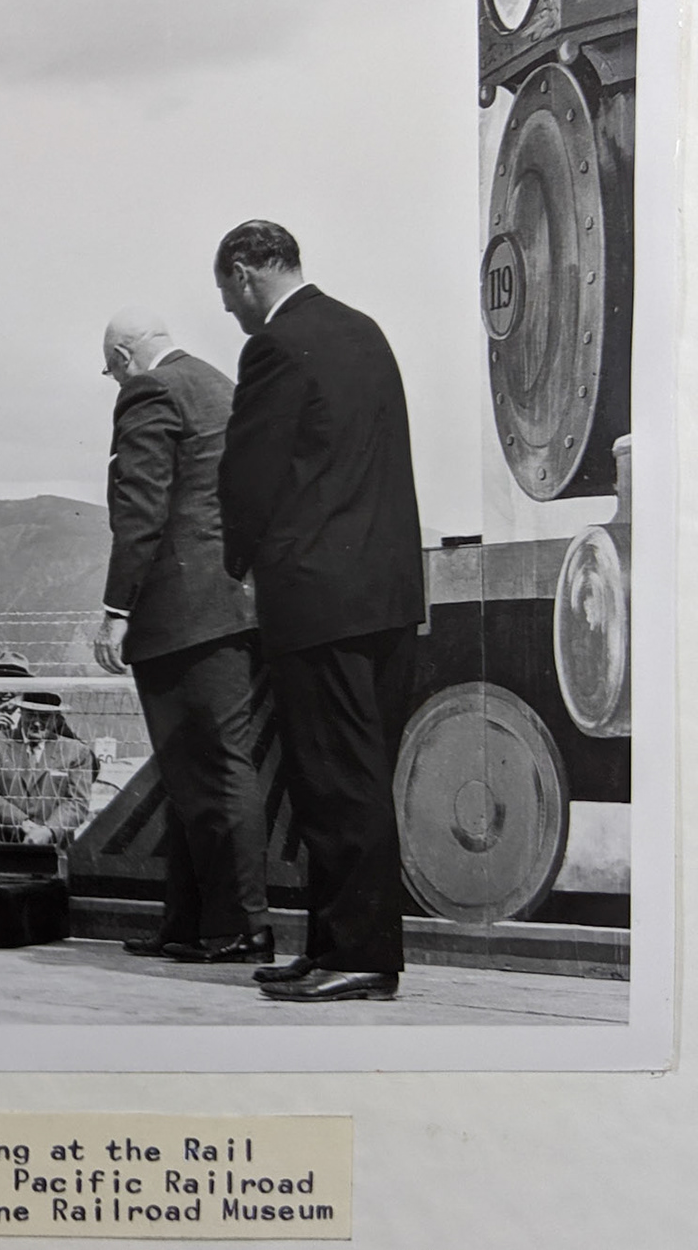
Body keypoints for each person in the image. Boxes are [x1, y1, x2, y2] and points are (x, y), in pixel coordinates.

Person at [214, 221, 424, 1004]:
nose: (232, 314)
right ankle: (336, 944)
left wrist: (238, 565)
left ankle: (362, 954)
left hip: (318, 597)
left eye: (227, 297)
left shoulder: (273, 344)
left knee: (332, 781)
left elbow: (250, 473)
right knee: (359, 776)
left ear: (243, 273)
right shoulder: (364, 332)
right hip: (389, 594)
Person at [90, 307, 269, 966]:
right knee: (210, 767)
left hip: (177, 615)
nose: (114, 382)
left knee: (203, 770)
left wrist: (118, 606)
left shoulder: (148, 390)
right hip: (234, 605)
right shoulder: (221, 385)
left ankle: (238, 925)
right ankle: (195, 921)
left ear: (124, 358)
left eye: (110, 370)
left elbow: (140, 504)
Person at [0, 689, 97, 846]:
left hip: (54, 848)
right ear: (21, 712)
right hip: (1, 844)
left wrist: (49, 831)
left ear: (56, 719)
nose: (36, 722)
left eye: (44, 716)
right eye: (31, 715)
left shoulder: (76, 751)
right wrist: (22, 824)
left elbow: (77, 802)